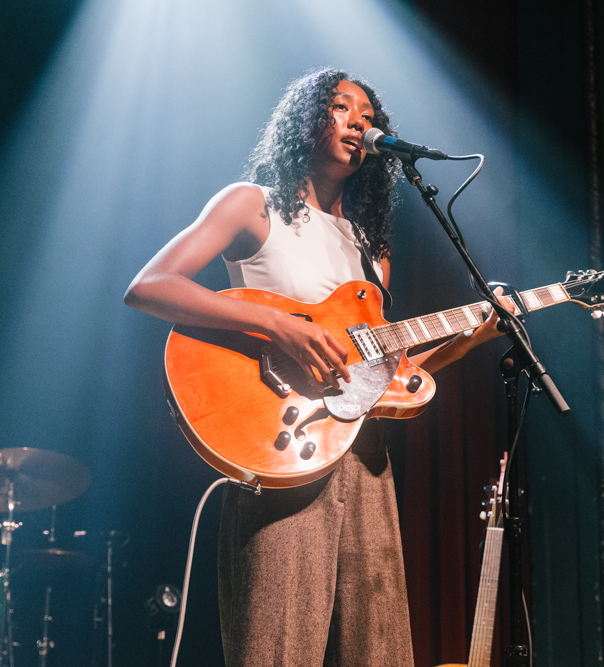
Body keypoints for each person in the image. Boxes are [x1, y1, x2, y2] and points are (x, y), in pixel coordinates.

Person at [125, 68, 508, 667]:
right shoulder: (252, 205)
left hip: (364, 454)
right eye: (340, 107)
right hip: (280, 447)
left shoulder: (368, 247)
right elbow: (150, 286)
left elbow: (387, 372)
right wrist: (281, 327)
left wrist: (472, 336)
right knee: (277, 650)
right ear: (306, 121)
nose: (359, 121)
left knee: (380, 650)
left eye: (367, 113)